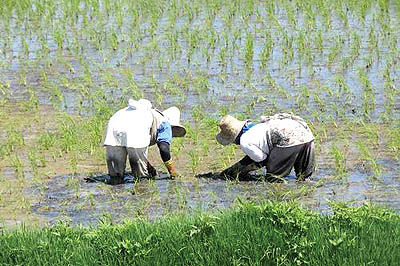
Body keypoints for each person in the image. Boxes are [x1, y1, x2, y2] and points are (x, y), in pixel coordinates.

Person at [103, 99, 186, 183]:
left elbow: (134, 149)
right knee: (141, 180)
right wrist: (172, 172)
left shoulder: (143, 113)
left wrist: (149, 168)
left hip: (113, 126)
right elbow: (163, 148)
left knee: (115, 178)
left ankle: (117, 193)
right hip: (136, 130)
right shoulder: (165, 123)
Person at [216, 113, 315, 181]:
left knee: (274, 178)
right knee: (304, 178)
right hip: (306, 135)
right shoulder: (259, 126)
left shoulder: (245, 140)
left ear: (233, 138)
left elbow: (260, 158)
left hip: (288, 140)